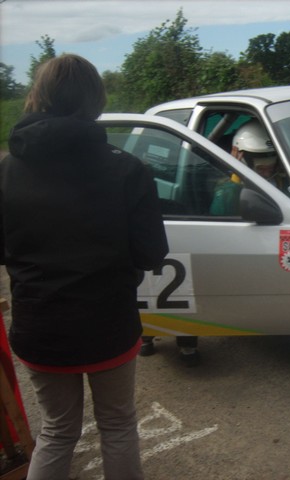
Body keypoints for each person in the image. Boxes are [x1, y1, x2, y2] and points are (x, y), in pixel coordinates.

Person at [0, 54, 168, 480]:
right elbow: (152, 253)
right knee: (117, 424)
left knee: (57, 431)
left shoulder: (6, 173)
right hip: (109, 323)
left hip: (40, 327)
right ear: (96, 100)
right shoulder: (127, 169)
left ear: (39, 96)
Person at [210, 119, 290, 215]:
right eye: (261, 168)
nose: (267, 173)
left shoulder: (287, 181)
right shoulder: (227, 190)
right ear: (242, 161)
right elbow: (220, 215)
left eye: (270, 168)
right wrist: (236, 177)